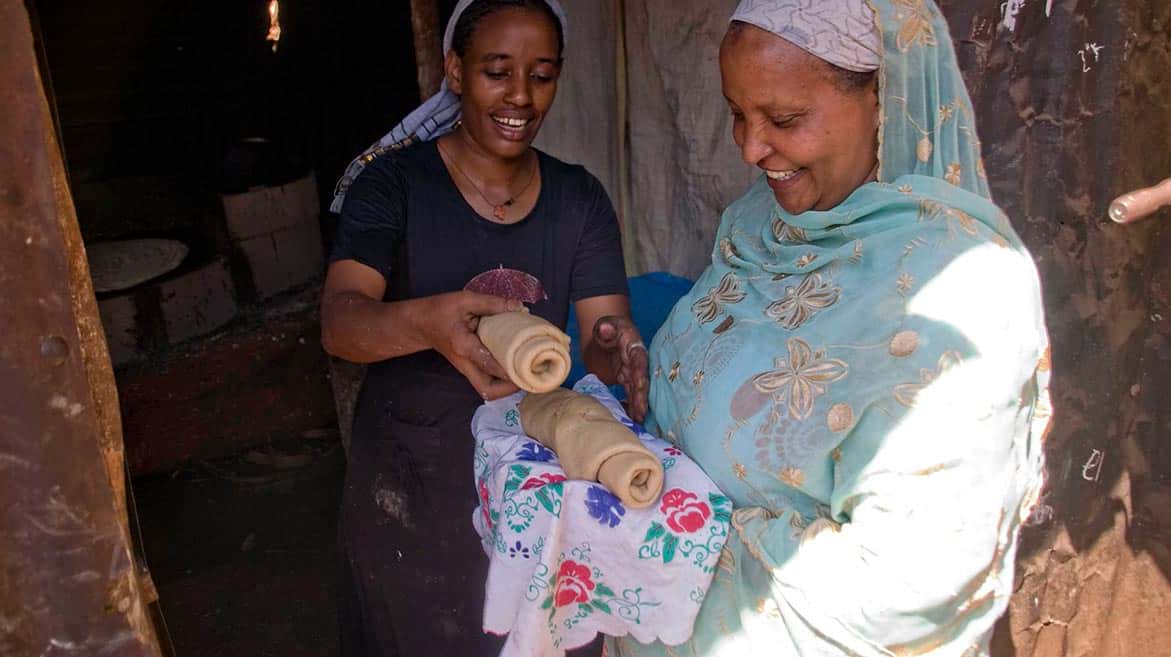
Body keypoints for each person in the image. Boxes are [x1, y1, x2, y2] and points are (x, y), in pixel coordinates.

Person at [609, 1, 1051, 655]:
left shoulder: (966, 290)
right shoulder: (760, 223)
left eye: (783, 119)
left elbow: (906, 591)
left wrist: (665, 535)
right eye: (737, 113)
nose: (751, 148)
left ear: (882, 96)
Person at [320, 1, 649, 655]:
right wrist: (430, 321)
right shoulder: (394, 186)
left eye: (542, 74)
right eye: (497, 71)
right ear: (455, 70)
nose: (520, 97)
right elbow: (341, 323)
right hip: (411, 484)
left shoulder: (577, 198)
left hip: (530, 488)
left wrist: (619, 348)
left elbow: (601, 330)